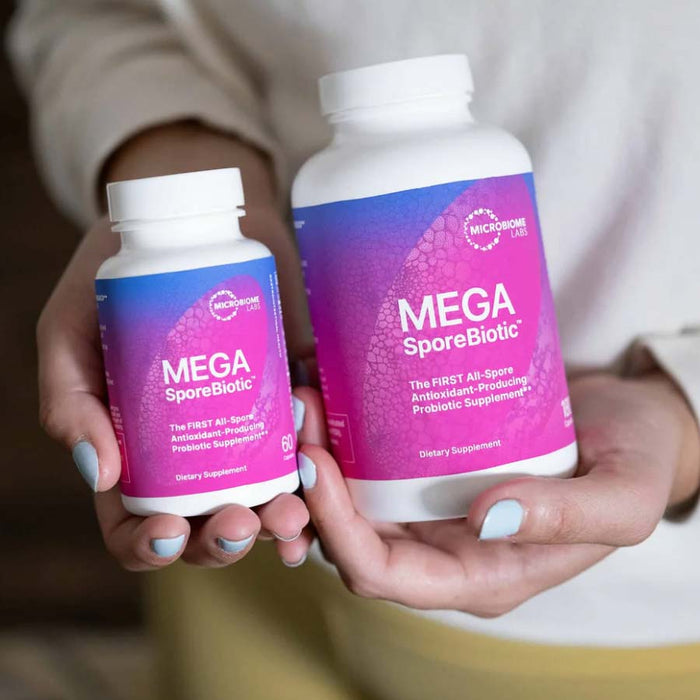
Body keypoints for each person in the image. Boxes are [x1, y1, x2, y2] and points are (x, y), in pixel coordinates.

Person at [8, 2, 700, 698]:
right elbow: (95, 13)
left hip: (641, 619)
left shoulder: (474, 158)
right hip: (268, 519)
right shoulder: (325, 187)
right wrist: (181, 189)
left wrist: (684, 406)